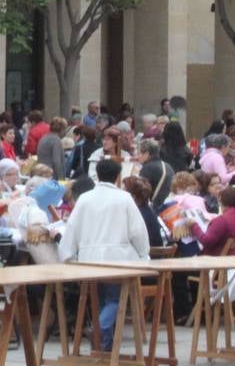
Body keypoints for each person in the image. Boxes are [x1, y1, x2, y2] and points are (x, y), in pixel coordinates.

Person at [58, 159, 150, 350]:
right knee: (115, 299)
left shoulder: (85, 198)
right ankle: (101, 328)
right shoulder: (124, 198)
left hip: (88, 259)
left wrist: (68, 255)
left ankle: (103, 346)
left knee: (99, 300)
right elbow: (137, 231)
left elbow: (72, 228)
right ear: (118, 177)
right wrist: (143, 254)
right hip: (118, 259)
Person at [189, 186, 235, 255]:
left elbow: (206, 241)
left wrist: (194, 225)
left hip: (217, 261)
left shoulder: (223, 220)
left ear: (224, 202)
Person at [124, 176, 165, 249]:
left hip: (146, 257)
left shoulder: (136, 214)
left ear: (132, 196)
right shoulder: (149, 211)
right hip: (155, 255)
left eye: (123, 192)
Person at [137, 139, 174, 207]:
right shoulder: (168, 166)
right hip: (168, 206)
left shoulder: (147, 168)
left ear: (146, 154)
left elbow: (141, 193)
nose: (137, 156)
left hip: (154, 208)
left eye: (139, 153)